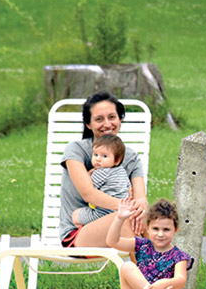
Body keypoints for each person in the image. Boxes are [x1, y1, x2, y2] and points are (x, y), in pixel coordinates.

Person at [59, 92, 148, 248]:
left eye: (112, 117)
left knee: (151, 218)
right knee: (125, 218)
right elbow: (89, 194)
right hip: (78, 232)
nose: (107, 124)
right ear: (88, 124)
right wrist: (128, 207)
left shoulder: (131, 157)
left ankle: (166, 269)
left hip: (119, 224)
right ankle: (147, 271)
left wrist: (139, 207)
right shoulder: (75, 151)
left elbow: (141, 199)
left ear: (120, 119)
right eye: (99, 119)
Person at [72, 134, 132, 227]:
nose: (98, 159)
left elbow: (87, 187)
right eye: (95, 154)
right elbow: (128, 188)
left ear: (117, 160)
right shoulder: (122, 171)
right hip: (120, 213)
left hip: (102, 213)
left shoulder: (101, 172)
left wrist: (88, 174)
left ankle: (90, 236)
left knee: (75, 215)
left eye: (104, 156)